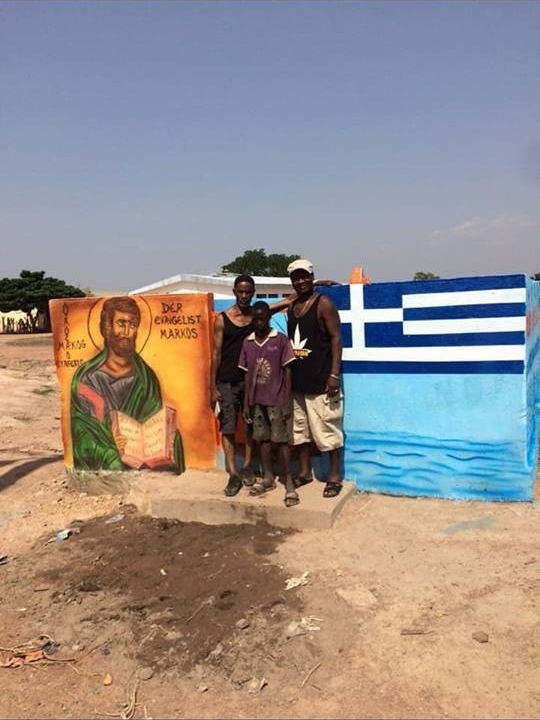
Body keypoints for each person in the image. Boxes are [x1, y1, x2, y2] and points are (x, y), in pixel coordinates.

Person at [70, 296, 184, 473]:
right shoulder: (88, 379)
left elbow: (152, 420)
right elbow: (85, 428)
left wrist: (163, 435)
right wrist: (111, 438)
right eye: (121, 324)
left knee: (174, 442)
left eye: (133, 325)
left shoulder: (146, 378)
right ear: (106, 328)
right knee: (114, 461)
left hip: (141, 452)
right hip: (107, 450)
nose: (127, 332)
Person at [210, 274, 293, 496]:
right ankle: (232, 473)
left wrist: (317, 285)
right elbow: (215, 354)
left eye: (248, 292)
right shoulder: (223, 319)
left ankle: (247, 466)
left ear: (253, 292)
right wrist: (212, 387)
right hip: (227, 380)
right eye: (241, 291)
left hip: (252, 381)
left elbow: (286, 301)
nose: (244, 296)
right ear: (234, 292)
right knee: (228, 427)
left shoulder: (257, 315)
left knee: (250, 426)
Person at [286, 258, 344, 497]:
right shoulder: (292, 305)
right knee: (299, 432)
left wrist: (334, 374)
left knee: (327, 430)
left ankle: (334, 476)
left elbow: (336, 339)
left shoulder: (324, 304)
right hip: (297, 381)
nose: (301, 281)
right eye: (296, 278)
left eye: (305, 276)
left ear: (311, 277)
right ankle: (304, 472)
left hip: (321, 380)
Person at [238, 301, 298, 507]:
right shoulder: (248, 342)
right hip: (257, 400)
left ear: (269, 319)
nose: (258, 323)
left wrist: (287, 400)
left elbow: (288, 371)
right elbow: (246, 375)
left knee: (281, 441)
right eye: (255, 320)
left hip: (277, 399)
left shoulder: (280, 340)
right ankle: (268, 478)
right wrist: (247, 403)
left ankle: (289, 481)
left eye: (262, 319)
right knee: (262, 440)